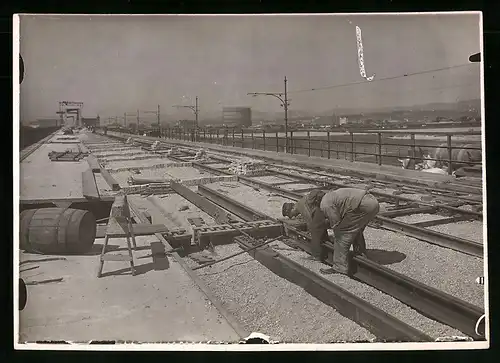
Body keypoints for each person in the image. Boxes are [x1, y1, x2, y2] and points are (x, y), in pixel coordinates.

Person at [283, 187, 379, 275]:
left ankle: (339, 267)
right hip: (372, 202)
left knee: (342, 235)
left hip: (362, 205)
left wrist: (332, 231)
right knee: (355, 229)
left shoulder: (325, 205)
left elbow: (336, 222)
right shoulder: (330, 196)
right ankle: (361, 253)